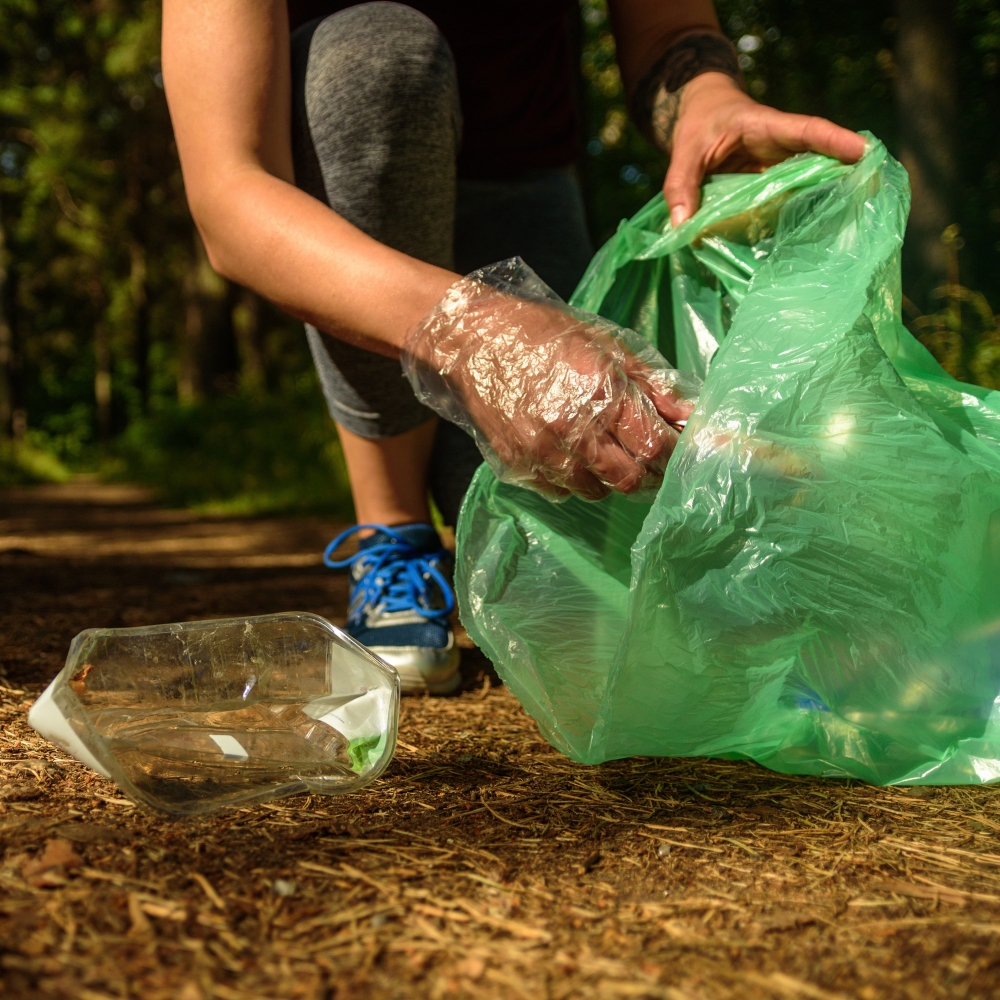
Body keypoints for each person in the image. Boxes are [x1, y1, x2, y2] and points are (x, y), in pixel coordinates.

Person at [161, 1, 866, 695]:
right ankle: (393, 527)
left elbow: (670, 30)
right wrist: (477, 335)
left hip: (520, 188)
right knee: (377, 56)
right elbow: (230, 190)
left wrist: (708, 99)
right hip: (347, 222)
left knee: (592, 581)